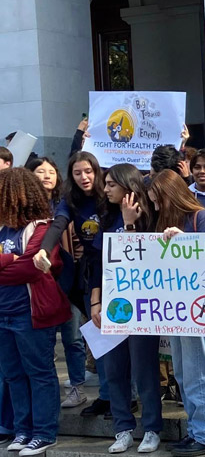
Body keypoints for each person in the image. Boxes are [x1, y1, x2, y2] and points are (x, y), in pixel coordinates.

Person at [148, 170, 205, 457]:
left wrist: (184, 241)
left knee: (198, 370)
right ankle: (196, 430)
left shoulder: (200, 218)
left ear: (170, 197)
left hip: (196, 307)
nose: (156, 207)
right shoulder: (168, 221)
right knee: (182, 370)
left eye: (158, 201)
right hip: (176, 307)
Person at [89, 164, 162, 454]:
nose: (105, 189)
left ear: (127, 186)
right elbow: (96, 265)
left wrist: (130, 223)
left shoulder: (150, 217)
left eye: (110, 184)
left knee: (144, 370)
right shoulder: (107, 218)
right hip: (113, 305)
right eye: (105, 184)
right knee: (114, 369)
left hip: (143, 307)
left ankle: (152, 428)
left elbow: (142, 261)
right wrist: (96, 302)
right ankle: (122, 428)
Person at [33, 151, 110, 417]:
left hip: (115, 267)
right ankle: (107, 394)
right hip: (90, 272)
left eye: (88, 171)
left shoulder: (108, 193)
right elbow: (58, 225)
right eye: (77, 173)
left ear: (96, 171)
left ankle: (126, 394)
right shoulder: (70, 199)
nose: (84, 177)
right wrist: (43, 250)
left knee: (118, 336)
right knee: (98, 333)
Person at [0, 168, 71, 456]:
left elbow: (29, 267)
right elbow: (17, 265)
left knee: (39, 372)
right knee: (13, 374)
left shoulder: (42, 227)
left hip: (30, 313)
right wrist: (9, 259)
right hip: (3, 313)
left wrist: (10, 264)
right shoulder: (2, 227)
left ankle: (43, 432)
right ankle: (22, 429)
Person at [25, 157, 88, 408]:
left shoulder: (66, 204)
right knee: (46, 339)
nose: (47, 176)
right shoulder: (25, 208)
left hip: (66, 277)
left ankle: (77, 386)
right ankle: (47, 390)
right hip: (38, 282)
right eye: (41, 172)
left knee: (72, 337)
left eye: (51, 171)